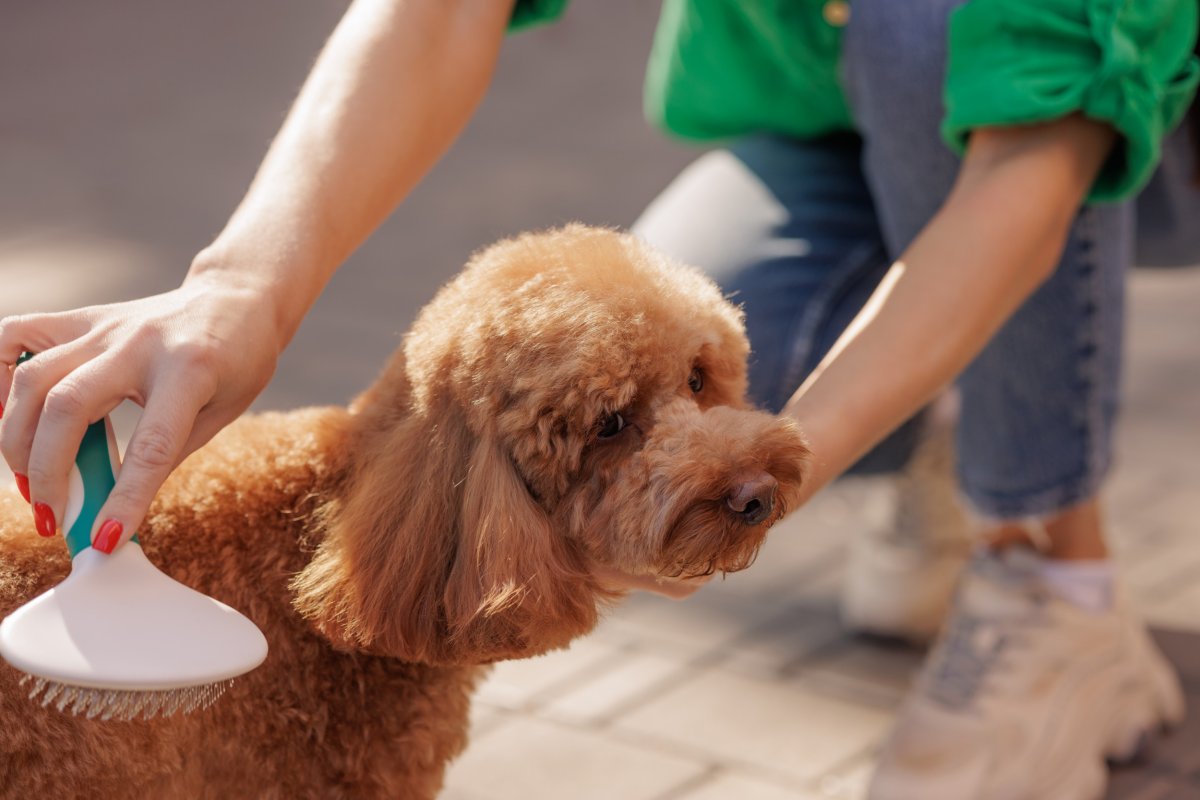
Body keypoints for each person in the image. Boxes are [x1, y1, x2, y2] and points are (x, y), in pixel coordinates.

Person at [1, 0, 1196, 796]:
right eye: (623, 422)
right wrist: (241, 285)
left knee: (928, 30)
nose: (697, 427)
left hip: (1106, 121)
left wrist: (778, 467)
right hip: (820, 128)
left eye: (695, 388)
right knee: (654, 336)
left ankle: (1051, 561)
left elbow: (1031, 175)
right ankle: (938, 431)